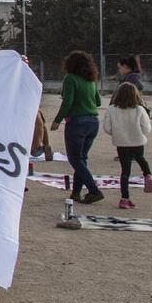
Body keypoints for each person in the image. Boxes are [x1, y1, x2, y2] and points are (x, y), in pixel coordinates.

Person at [51, 49, 104, 203]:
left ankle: (94, 190)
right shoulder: (91, 80)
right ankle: (76, 192)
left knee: (75, 159)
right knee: (82, 158)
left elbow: (68, 102)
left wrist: (57, 120)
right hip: (93, 122)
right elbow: (98, 102)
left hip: (77, 123)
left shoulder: (70, 79)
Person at [104, 82, 152, 208]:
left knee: (125, 171)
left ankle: (124, 198)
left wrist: (116, 133)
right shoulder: (139, 109)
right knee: (140, 158)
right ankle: (147, 174)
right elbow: (146, 128)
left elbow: (107, 128)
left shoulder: (111, 109)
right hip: (137, 140)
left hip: (121, 143)